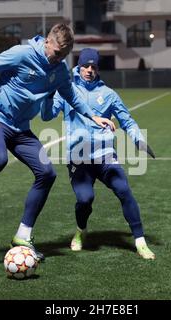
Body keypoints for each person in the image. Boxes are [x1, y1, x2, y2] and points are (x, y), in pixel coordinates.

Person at [0, 23, 115, 261]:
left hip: (21, 130)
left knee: (47, 173)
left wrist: (93, 116)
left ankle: (23, 235)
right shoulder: (22, 53)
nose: (59, 59)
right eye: (57, 53)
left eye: (65, 56)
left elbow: (72, 96)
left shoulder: (60, 71)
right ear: (47, 42)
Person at [41, 48, 156, 260]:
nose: (89, 70)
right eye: (86, 65)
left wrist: (138, 139)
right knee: (85, 199)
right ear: (79, 65)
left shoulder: (109, 94)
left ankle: (140, 242)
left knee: (124, 190)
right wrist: (48, 94)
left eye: (93, 66)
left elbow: (127, 120)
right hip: (78, 156)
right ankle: (81, 230)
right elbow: (47, 116)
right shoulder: (67, 89)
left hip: (105, 155)